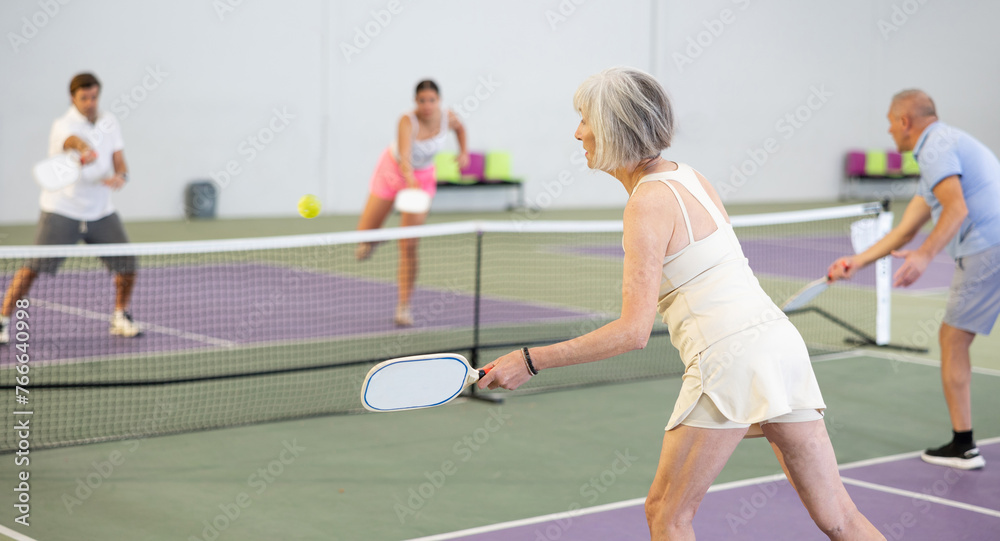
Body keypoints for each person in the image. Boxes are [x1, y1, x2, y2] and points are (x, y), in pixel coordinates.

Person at [477, 67, 883, 540]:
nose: (578, 132)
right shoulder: (690, 177)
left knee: (667, 515)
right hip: (780, 345)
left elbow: (632, 332)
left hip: (728, 359)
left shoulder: (646, 204)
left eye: (584, 118)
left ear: (612, 127)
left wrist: (529, 360)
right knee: (839, 516)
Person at [828, 90, 1000, 470]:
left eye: (891, 123)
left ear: (905, 121)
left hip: (987, 250)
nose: (889, 131)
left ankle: (963, 445)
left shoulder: (934, 147)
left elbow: (956, 209)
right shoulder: (945, 147)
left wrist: (925, 256)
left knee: (953, 339)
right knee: (956, 338)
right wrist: (857, 262)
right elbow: (906, 231)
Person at [0, 73, 141, 345]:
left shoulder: (110, 122)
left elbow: (119, 160)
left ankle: (120, 316)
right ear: (73, 98)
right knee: (33, 268)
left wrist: (121, 176)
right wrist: (84, 149)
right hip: (62, 209)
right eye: (84, 98)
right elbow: (71, 142)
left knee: (128, 265)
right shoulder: (62, 125)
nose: (90, 102)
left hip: (100, 210)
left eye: (94, 96)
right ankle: (2, 319)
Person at [354, 79, 468, 327]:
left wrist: (463, 152)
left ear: (439, 100)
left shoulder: (448, 118)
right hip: (392, 171)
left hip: (424, 178)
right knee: (362, 235)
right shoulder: (407, 120)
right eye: (422, 100)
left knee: (409, 245)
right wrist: (408, 178)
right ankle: (372, 239)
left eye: (432, 100)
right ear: (415, 102)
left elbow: (460, 129)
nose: (427, 105)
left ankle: (403, 308)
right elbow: (404, 156)